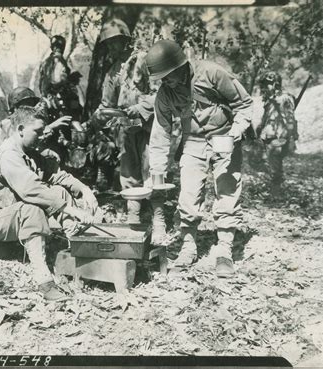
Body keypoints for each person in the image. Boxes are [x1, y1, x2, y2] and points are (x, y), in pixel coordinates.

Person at [145, 40, 253, 277]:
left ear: (180, 66)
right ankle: (188, 247)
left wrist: (235, 134)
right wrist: (156, 173)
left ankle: (224, 249)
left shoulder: (211, 73)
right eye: (161, 78)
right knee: (189, 195)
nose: (164, 81)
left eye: (167, 76)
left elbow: (244, 104)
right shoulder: (165, 94)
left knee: (226, 190)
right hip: (192, 142)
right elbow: (160, 133)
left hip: (225, 137)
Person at [0, 106, 98, 301]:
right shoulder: (8, 154)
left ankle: (75, 242)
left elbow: (57, 175)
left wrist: (84, 189)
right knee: (32, 209)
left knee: (58, 191)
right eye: (38, 132)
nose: (42, 136)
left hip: (11, 216)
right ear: (21, 129)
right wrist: (72, 209)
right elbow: (31, 189)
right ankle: (45, 283)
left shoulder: (28, 151)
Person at [91, 19, 163, 236]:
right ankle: (134, 218)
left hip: (149, 124)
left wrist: (141, 106)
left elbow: (161, 93)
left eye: (115, 42)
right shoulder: (113, 71)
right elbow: (107, 103)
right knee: (129, 171)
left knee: (153, 170)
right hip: (126, 125)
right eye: (108, 44)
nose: (112, 47)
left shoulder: (145, 60)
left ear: (126, 41)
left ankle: (159, 219)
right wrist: (98, 116)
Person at [0, 87, 71, 168]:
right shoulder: (7, 124)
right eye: (26, 105)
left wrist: (46, 152)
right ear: (14, 108)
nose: (30, 108)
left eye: (32, 104)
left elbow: (29, 148)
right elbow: (18, 143)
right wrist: (51, 127)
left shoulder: (28, 123)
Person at [257, 71, 299, 196]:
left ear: (276, 84)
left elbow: (290, 119)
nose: (265, 87)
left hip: (279, 137)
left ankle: (276, 194)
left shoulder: (285, 98)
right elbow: (266, 118)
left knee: (275, 166)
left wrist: (291, 138)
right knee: (270, 164)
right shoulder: (270, 99)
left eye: (268, 84)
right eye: (264, 84)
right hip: (269, 136)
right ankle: (275, 191)